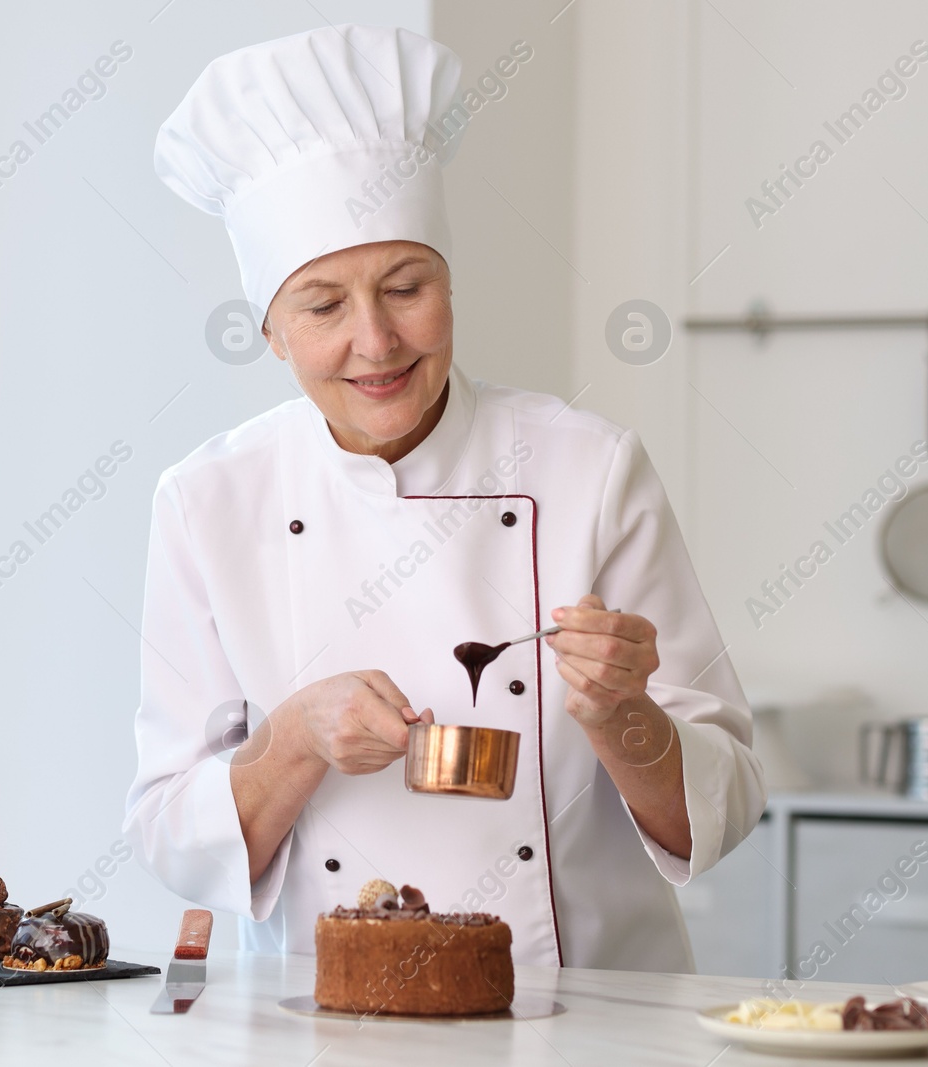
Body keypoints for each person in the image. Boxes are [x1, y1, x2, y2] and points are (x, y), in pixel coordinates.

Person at [124, 24, 764, 972]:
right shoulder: (209, 499)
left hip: (583, 1013)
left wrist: (620, 711)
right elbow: (167, 833)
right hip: (325, 1014)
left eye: (405, 286)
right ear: (273, 333)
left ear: (451, 286)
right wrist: (294, 738)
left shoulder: (589, 468)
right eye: (324, 306)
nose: (376, 341)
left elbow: (728, 806)